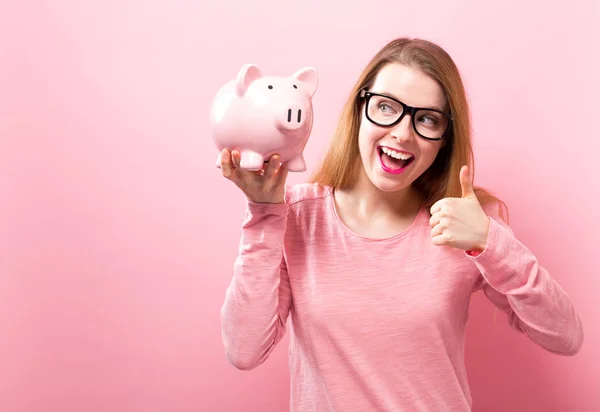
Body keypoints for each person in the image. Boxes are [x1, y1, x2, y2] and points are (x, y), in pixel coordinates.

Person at [217, 37, 584, 411]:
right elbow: (244, 350)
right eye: (386, 107)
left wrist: (489, 243)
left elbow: (566, 336)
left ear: (444, 138)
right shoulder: (297, 215)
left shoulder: (464, 223)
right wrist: (264, 213)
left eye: (426, 118)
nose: (402, 134)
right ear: (360, 109)